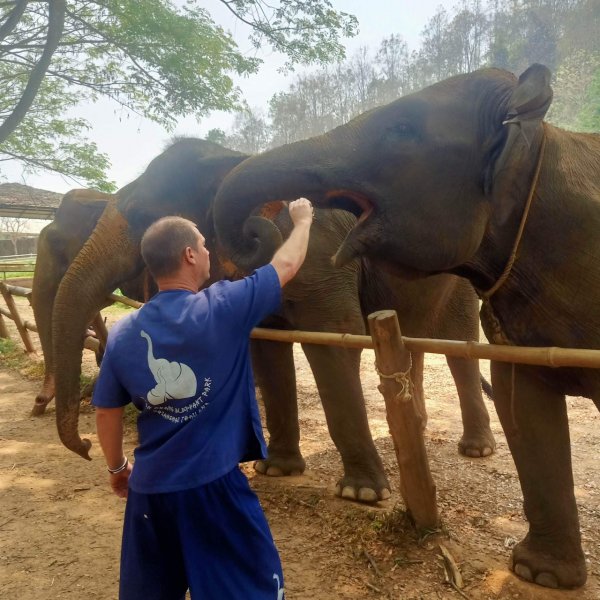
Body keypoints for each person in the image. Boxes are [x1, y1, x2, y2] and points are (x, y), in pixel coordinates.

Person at [93, 198, 314, 600]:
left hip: (149, 492)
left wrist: (117, 467)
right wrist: (303, 222)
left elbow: (106, 410)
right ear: (189, 255)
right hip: (213, 487)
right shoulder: (224, 306)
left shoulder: (124, 332)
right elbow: (285, 266)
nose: (209, 251)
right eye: (203, 245)